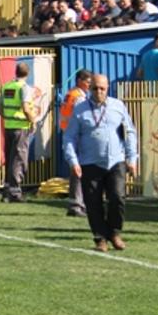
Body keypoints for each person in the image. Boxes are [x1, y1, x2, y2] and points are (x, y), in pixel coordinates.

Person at [63, 74, 138, 252]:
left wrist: (132, 158)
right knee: (93, 202)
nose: (99, 92)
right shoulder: (80, 110)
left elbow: (130, 132)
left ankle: (114, 232)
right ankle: (100, 238)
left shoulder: (118, 106)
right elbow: (69, 138)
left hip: (116, 161)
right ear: (90, 88)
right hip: (90, 162)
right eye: (95, 88)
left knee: (117, 198)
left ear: (107, 88)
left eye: (102, 88)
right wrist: (73, 161)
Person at [0, 62, 36, 203]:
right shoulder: (24, 88)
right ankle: (15, 192)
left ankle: (6, 191)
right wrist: (33, 121)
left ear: (16, 72)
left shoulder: (7, 86)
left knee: (10, 159)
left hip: (8, 126)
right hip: (21, 127)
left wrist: (8, 117)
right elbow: (26, 108)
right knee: (19, 160)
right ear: (28, 73)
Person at [59, 69, 92, 218]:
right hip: (77, 136)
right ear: (80, 81)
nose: (90, 85)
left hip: (69, 134)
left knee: (75, 170)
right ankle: (77, 204)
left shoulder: (70, 94)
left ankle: (75, 203)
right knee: (79, 170)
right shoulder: (79, 97)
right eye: (88, 82)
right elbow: (83, 117)